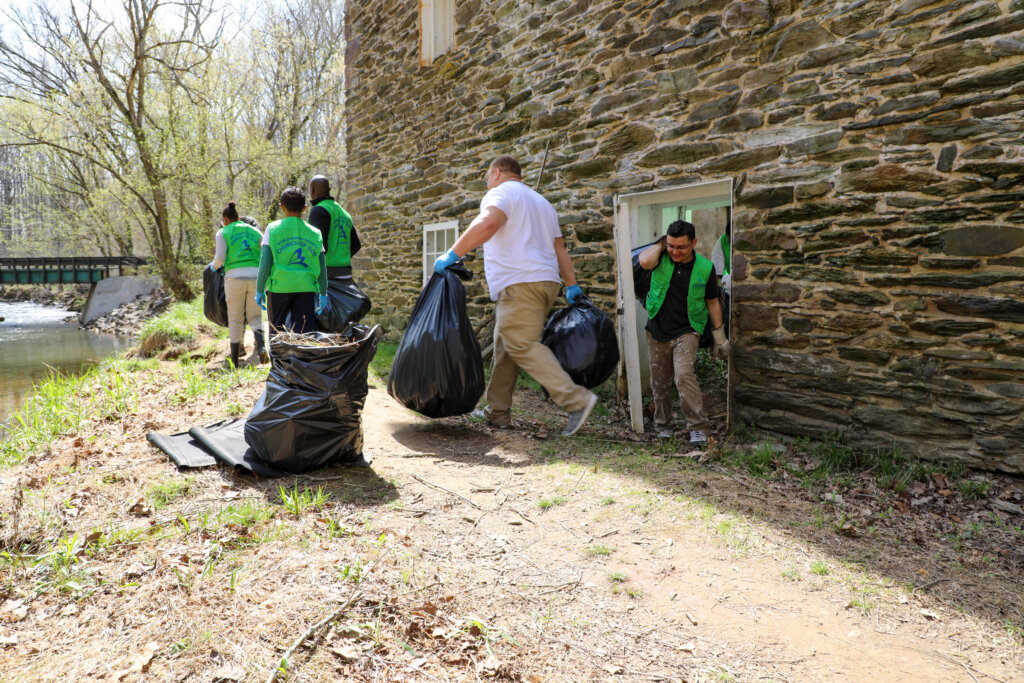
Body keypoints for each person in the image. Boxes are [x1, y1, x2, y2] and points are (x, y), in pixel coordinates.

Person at [434, 155, 598, 437]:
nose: (488, 184)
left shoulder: (501, 193)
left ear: (497, 173)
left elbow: (488, 224)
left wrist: (453, 253)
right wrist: (571, 286)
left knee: (520, 344)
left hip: (522, 283)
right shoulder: (542, 203)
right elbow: (559, 249)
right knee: (506, 345)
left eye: (488, 177)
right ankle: (497, 412)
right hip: (545, 282)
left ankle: (577, 400)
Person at [636, 220, 729, 445]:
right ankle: (663, 426)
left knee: (684, 376)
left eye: (681, 247)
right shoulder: (660, 258)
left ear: (694, 243)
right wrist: (662, 245)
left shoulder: (705, 268)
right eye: (671, 246)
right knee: (659, 382)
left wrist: (720, 338)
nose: (675, 252)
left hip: (688, 330)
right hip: (657, 330)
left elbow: (713, 302)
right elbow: (644, 261)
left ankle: (697, 427)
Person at [255, 187, 328, 334]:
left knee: (277, 332)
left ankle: (278, 350)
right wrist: (323, 293)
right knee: (304, 334)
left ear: (282, 207)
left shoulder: (272, 229)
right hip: (306, 289)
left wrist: (260, 289)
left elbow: (265, 264)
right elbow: (322, 268)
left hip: (279, 289)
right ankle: (301, 350)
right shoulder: (316, 233)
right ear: (304, 208)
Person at [209, 201, 267, 368]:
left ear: (225, 219)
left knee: (235, 318)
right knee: (255, 316)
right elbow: (266, 252)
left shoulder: (223, 232)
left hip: (234, 279)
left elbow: (220, 258)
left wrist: (213, 268)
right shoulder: (254, 231)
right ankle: (262, 348)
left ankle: (234, 360)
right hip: (255, 277)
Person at [307, 175, 361, 279]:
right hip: (346, 274)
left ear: (312, 191)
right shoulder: (344, 213)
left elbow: (317, 246)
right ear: (329, 190)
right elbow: (356, 245)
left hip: (326, 275)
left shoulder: (318, 210)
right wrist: (341, 258)